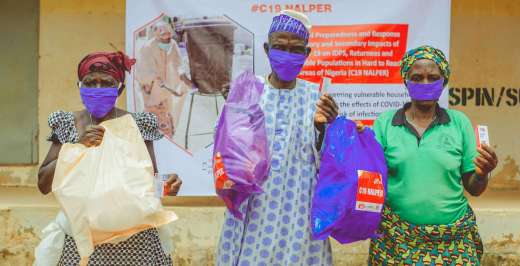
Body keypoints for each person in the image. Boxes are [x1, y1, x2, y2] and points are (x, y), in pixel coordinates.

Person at [216, 10, 339, 266]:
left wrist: (325, 128)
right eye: (280, 47)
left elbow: (332, 164)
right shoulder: (248, 91)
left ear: (307, 54)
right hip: (254, 208)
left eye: (296, 50)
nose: (287, 55)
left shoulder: (319, 98)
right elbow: (227, 153)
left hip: (299, 210)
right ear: (266, 49)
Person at [37, 51, 182, 265]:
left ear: (119, 88)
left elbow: (150, 181)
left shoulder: (138, 124)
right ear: (79, 86)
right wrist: (77, 147)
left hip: (136, 241)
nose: (97, 89)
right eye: (90, 82)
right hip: (82, 240)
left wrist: (169, 185)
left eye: (106, 83)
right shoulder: (69, 123)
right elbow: (43, 184)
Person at [365, 45, 498, 265]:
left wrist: (483, 173)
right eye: (417, 77)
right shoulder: (385, 124)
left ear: (444, 81)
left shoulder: (459, 123)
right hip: (396, 241)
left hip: (453, 241)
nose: (425, 83)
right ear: (405, 81)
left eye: (433, 77)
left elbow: (474, 188)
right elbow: (371, 179)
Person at [135, 21, 192, 138]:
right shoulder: (147, 47)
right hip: (152, 93)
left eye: (168, 35)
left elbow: (178, 63)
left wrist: (182, 75)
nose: (167, 38)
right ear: (156, 35)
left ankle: (168, 142)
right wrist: (154, 78)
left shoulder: (173, 44)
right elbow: (142, 72)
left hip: (167, 92)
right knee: (151, 125)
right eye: (163, 35)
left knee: (167, 123)